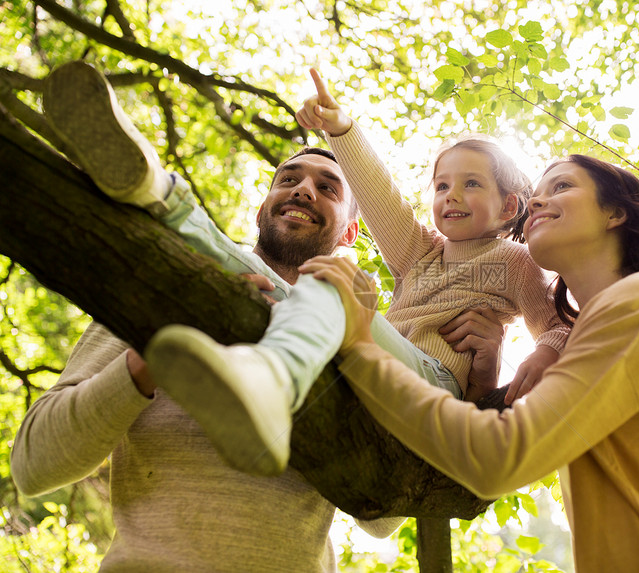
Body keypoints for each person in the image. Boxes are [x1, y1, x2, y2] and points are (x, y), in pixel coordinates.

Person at [10, 61, 505, 572]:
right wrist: (152, 359)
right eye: (288, 179)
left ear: (352, 233)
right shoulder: (161, 295)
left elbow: (382, 517)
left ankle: (161, 194)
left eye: (328, 187)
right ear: (261, 209)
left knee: (334, 291)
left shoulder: (353, 336)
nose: (303, 190)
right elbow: (32, 465)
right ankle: (156, 190)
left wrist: (481, 380)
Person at [307, 155, 639, 571]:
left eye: (562, 186)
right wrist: (482, 380)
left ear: (616, 212)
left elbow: (498, 456)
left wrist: (362, 343)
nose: (538, 201)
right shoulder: (600, 335)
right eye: (538, 193)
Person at [141, 68, 569, 474]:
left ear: (509, 206)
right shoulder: (420, 252)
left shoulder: (516, 262)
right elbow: (380, 194)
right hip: (367, 370)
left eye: (471, 184)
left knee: (337, 283)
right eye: (442, 186)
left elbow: (559, 323)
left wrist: (544, 351)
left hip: (431, 383)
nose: (451, 195)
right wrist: (341, 127)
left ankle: (273, 383)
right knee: (278, 290)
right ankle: (164, 199)